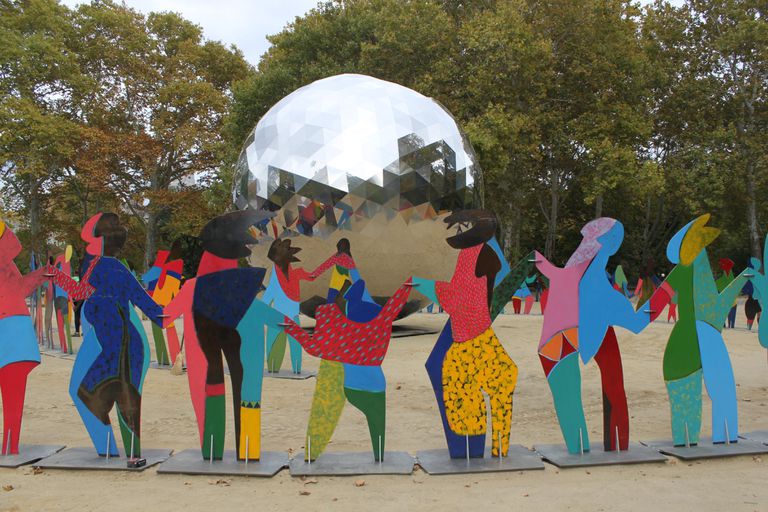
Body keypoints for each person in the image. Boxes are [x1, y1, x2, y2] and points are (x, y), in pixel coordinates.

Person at [535, 218, 670, 453]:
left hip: (555, 346)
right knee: (607, 386)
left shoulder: (566, 273)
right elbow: (638, 323)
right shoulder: (604, 293)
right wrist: (666, 291)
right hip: (561, 345)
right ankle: (614, 444)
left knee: (588, 392)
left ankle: (604, 445)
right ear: (612, 245)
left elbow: (539, 262)